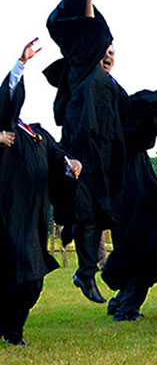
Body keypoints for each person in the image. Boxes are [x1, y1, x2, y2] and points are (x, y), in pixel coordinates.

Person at [44, 0, 129, 304]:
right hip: (80, 151)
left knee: (98, 214)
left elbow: (132, 109)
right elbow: (90, 36)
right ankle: (85, 269)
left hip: (104, 158)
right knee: (83, 211)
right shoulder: (81, 69)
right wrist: (90, 1)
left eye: (113, 53)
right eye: (105, 50)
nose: (109, 55)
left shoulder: (111, 85)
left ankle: (86, 271)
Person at [0, 39, 83, 345]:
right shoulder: (4, 131)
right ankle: (12, 332)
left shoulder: (37, 133)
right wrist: (20, 64)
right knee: (14, 276)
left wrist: (72, 164)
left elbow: (60, 157)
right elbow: (6, 99)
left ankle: (11, 328)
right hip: (7, 215)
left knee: (32, 280)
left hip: (33, 219)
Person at [101, 89, 157, 321]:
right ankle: (126, 308)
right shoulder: (122, 139)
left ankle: (120, 302)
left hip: (134, 203)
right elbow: (141, 127)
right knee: (149, 251)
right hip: (133, 205)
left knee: (141, 251)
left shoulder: (134, 154)